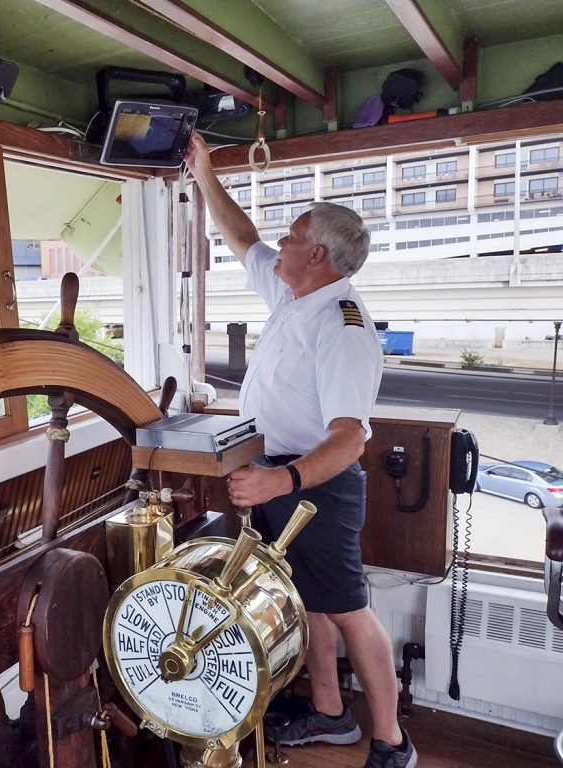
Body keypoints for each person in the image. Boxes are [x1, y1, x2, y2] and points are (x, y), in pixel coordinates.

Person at [184, 131, 417, 768]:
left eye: (290, 236)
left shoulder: (342, 326)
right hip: (272, 472)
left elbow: (349, 437)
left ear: (316, 253)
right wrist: (205, 176)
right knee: (303, 602)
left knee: (346, 610)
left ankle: (393, 742)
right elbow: (241, 237)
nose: (278, 244)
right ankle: (331, 715)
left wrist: (281, 483)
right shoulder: (294, 294)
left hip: (316, 484)